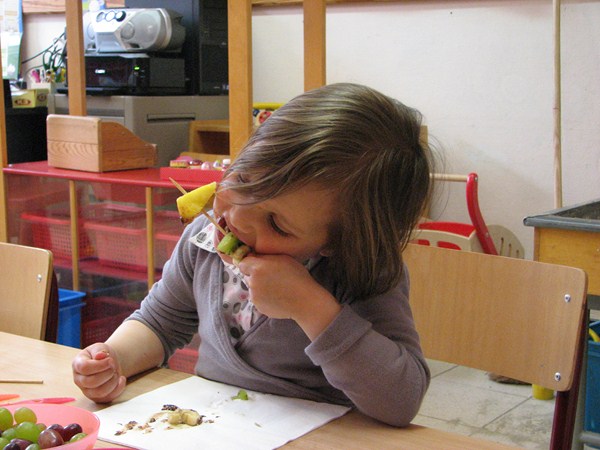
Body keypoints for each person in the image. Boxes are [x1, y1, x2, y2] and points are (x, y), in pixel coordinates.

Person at [72, 82, 434, 428]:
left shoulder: (363, 269)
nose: (238, 217)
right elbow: (159, 323)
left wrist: (311, 307)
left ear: (336, 244)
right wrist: (113, 358)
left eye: (276, 223)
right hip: (214, 426)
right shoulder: (202, 240)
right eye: (242, 180)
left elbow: (402, 400)